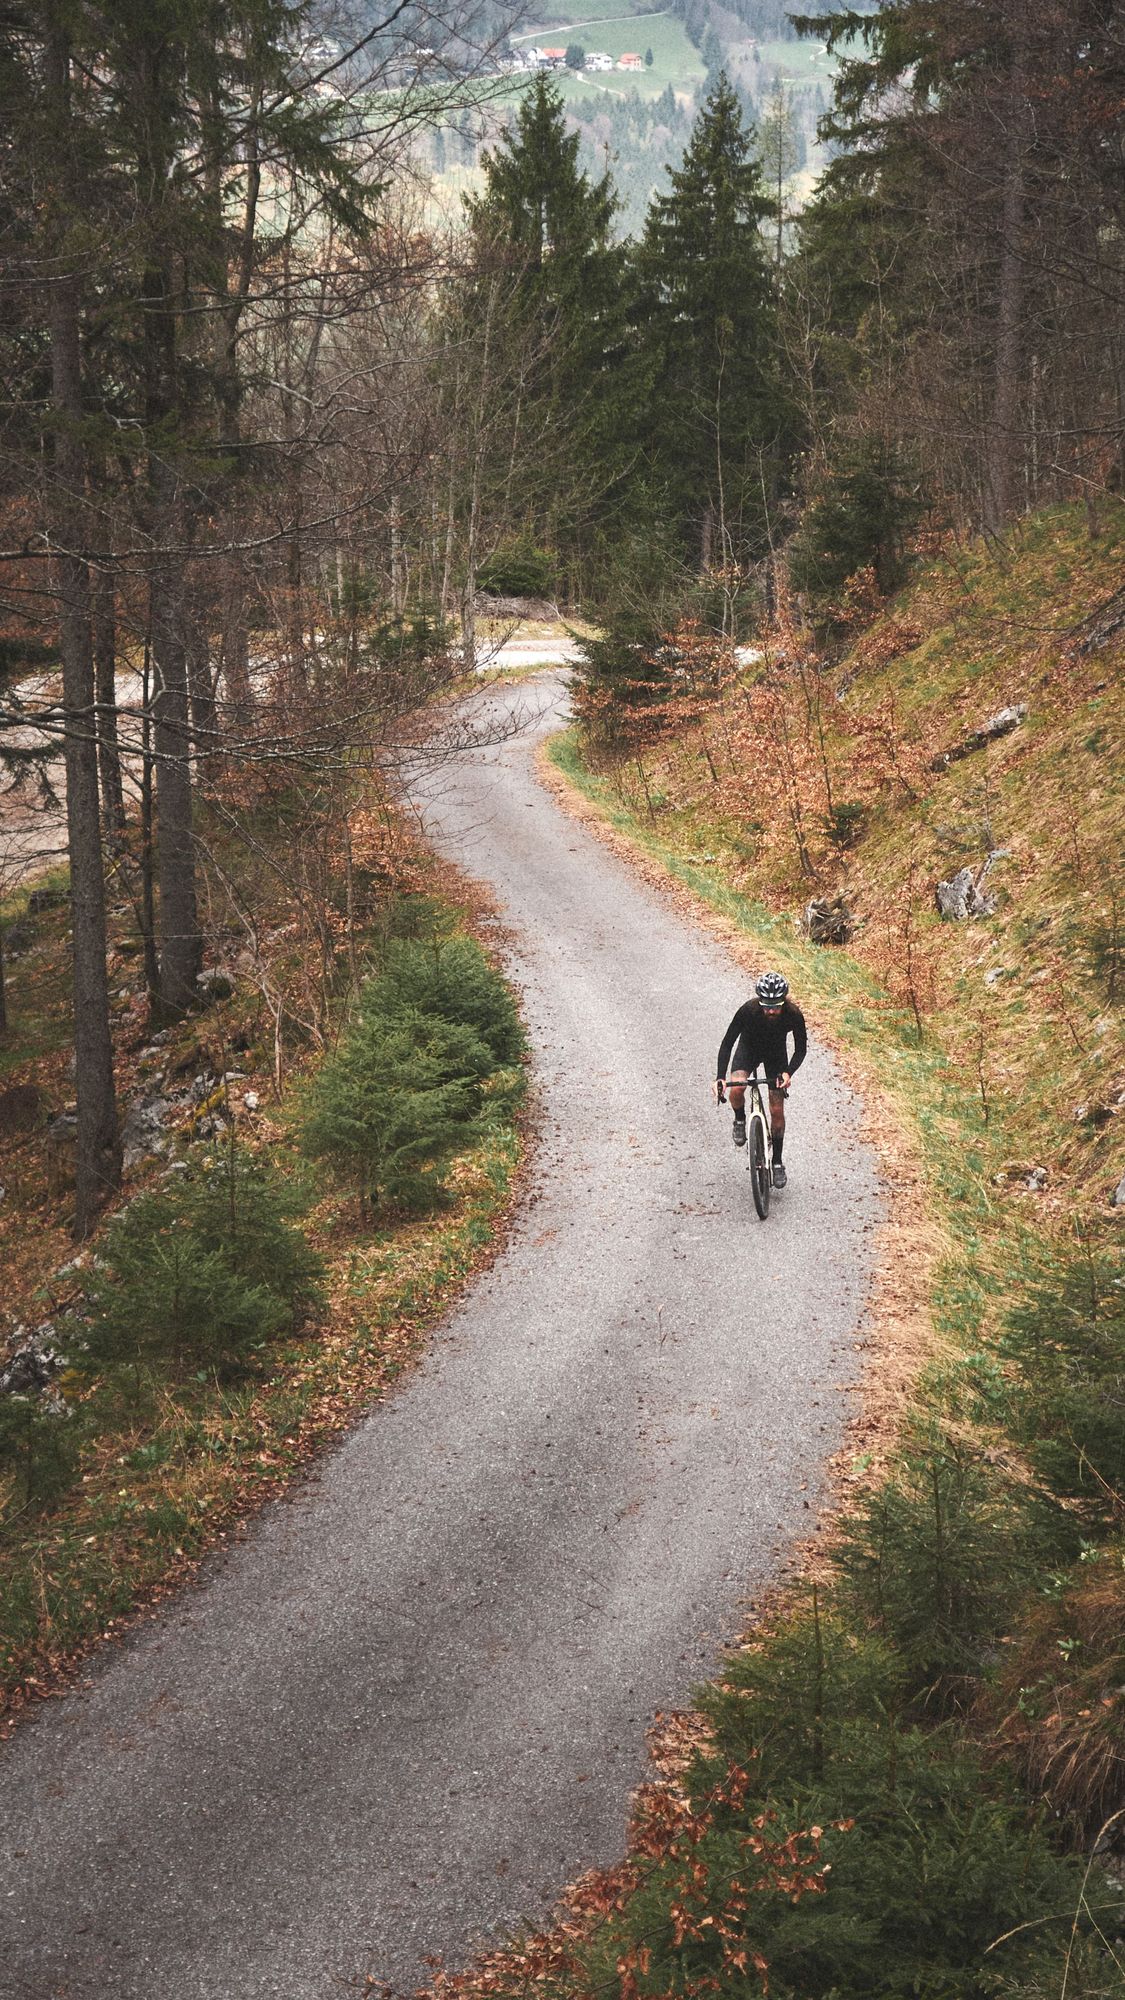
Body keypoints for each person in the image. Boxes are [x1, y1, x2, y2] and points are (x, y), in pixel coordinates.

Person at [713, 971, 806, 1187]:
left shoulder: (793, 1014)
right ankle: (739, 1119)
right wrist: (720, 1078)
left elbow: (801, 1049)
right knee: (737, 1088)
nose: (771, 1011)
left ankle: (777, 1162)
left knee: (776, 1109)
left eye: (776, 1006)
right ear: (759, 1001)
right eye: (767, 1006)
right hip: (749, 1049)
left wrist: (788, 1072)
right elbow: (727, 1043)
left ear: (784, 1002)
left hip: (776, 1055)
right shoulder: (748, 1010)